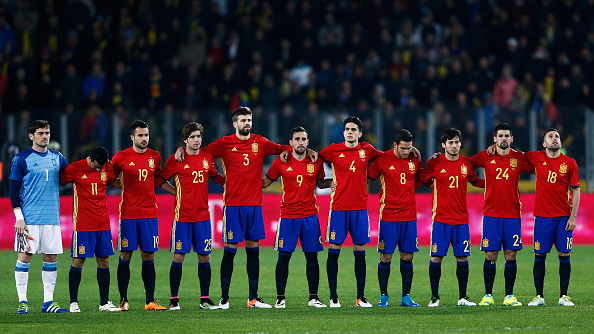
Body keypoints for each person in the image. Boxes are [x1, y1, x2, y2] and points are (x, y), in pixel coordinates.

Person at [175, 106, 313, 309]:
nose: (247, 123)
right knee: (230, 251)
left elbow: (284, 147)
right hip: (233, 205)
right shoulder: (224, 144)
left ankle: (253, 298)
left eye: (249, 120)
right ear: (235, 124)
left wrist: (307, 150)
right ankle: (224, 298)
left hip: (255, 205)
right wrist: (180, 149)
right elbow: (198, 152)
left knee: (253, 251)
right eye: (243, 120)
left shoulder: (260, 142)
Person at [262, 127, 333, 308]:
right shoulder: (280, 161)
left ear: (308, 142)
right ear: (291, 142)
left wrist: (333, 183)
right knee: (283, 257)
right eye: (297, 139)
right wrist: (243, 178)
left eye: (303, 139)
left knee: (312, 257)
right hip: (288, 216)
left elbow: (319, 182)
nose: (301, 142)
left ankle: (314, 297)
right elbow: (265, 183)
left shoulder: (315, 161)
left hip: (310, 215)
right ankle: (280, 298)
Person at [156, 122, 224, 310]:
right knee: (179, 257)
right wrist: (177, 192)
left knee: (205, 258)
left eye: (199, 137)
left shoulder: (207, 157)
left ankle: (204, 299)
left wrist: (231, 183)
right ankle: (174, 300)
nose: (196, 140)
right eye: (192, 137)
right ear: (185, 140)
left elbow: (214, 176)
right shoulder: (175, 160)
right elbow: (160, 182)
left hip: (203, 217)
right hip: (183, 218)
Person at [111, 120, 175, 311]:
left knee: (148, 255)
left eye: (146, 135)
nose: (144, 138)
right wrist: (126, 185)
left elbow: (158, 181)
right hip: (129, 213)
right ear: (132, 137)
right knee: (126, 254)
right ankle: (123, 300)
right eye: (140, 135)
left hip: (149, 213)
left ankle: (150, 301)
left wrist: (178, 192)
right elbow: (111, 180)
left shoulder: (155, 156)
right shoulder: (120, 157)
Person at [417, 128, 484, 307]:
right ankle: (434, 297)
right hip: (440, 219)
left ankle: (463, 297)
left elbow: (475, 180)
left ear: (460, 143)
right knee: (436, 258)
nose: (454, 146)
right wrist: (432, 183)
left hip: (461, 220)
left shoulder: (466, 163)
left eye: (456, 142)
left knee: (462, 258)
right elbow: (421, 179)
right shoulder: (435, 162)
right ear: (443, 145)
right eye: (450, 143)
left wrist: (495, 183)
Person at [319, 116, 380, 308]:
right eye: (347, 129)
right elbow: (313, 159)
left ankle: (360, 297)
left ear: (360, 133)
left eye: (354, 129)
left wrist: (411, 151)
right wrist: (322, 181)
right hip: (338, 208)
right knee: (334, 251)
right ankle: (333, 296)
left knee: (360, 251)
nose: (350, 132)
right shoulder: (333, 150)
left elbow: (385, 158)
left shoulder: (367, 150)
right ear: (343, 132)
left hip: (360, 209)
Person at [470, 123, 533, 307]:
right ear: (494, 139)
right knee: (490, 254)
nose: (503, 139)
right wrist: (480, 182)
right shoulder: (486, 155)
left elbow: (539, 166)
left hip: (513, 213)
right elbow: (466, 164)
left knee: (511, 254)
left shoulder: (519, 157)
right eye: (500, 136)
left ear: (511, 139)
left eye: (507, 136)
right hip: (491, 214)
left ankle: (509, 296)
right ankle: (488, 295)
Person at [9, 120, 69, 313]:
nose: (45, 136)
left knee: (51, 258)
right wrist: (19, 217)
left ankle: (48, 303)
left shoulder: (57, 158)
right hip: (29, 219)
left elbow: (69, 176)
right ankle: (23, 301)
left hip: (51, 217)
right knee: (25, 256)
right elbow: (13, 190)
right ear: (31, 136)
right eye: (41, 133)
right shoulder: (21, 159)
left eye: (48, 133)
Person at [60, 146, 122, 312]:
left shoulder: (106, 167)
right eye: (96, 166)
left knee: (104, 261)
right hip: (82, 225)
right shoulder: (75, 168)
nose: (98, 169)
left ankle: (104, 302)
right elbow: (60, 180)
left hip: (103, 223)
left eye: (101, 167)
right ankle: (73, 302)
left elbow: (115, 182)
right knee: (78, 261)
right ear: (90, 158)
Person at [525, 128, 580, 307]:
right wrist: (495, 148)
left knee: (564, 254)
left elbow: (576, 190)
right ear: (544, 143)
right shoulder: (536, 158)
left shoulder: (570, 163)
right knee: (539, 254)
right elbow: (514, 156)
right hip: (542, 217)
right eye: (550, 137)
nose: (554, 139)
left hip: (564, 217)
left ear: (560, 142)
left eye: (557, 136)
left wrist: (573, 217)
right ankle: (539, 296)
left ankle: (563, 296)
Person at [367, 129, 422, 307]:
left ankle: (406, 296)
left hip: (409, 217)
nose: (406, 152)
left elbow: (419, 178)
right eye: (403, 148)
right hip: (388, 216)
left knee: (407, 256)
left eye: (409, 148)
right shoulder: (382, 160)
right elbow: (367, 179)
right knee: (386, 257)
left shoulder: (415, 159)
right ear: (395, 145)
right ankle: (384, 296)